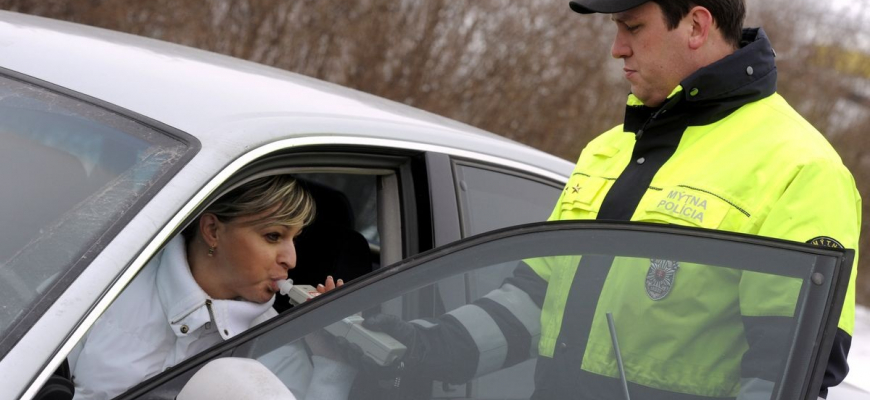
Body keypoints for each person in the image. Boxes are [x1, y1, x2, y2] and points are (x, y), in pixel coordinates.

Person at [359, 1, 861, 399]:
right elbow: (534, 300)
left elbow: (789, 369)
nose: (617, 48)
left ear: (696, 25)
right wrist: (419, 347)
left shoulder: (799, 168)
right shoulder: (610, 148)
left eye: (633, 27)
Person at [69, 175, 353, 400]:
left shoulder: (276, 345)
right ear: (213, 231)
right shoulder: (114, 279)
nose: (291, 259)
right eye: (273, 235)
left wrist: (331, 361)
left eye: (295, 239)